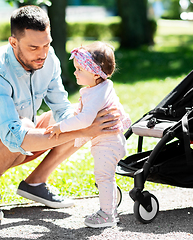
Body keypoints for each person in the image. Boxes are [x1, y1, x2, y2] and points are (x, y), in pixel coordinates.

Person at [0, 6, 120, 221]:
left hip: (25, 137)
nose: (42, 53)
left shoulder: (49, 59)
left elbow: (62, 108)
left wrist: (83, 125)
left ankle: (35, 183)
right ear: (14, 43)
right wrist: (86, 131)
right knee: (24, 126)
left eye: (46, 44)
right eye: (33, 47)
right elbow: (13, 136)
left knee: (74, 116)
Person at [45, 42, 131, 228]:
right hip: (109, 141)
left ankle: (107, 215)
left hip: (107, 143)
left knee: (103, 177)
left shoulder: (97, 93)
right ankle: (110, 208)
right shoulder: (100, 88)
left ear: (94, 72)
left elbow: (84, 119)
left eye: (79, 69)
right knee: (105, 177)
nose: (75, 72)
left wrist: (61, 127)